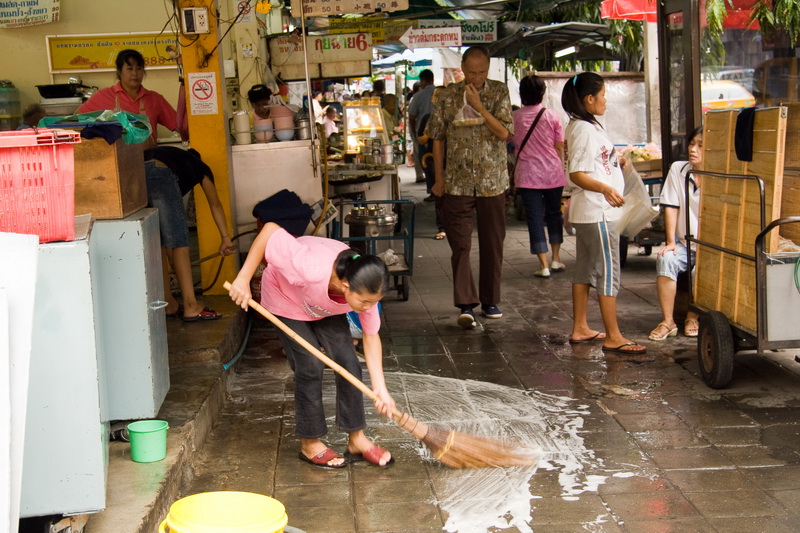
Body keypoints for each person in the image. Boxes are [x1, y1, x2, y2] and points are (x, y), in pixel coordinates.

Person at [227, 222, 395, 468]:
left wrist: (381, 389)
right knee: (310, 365)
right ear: (346, 286)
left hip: (324, 307)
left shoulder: (363, 291)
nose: (368, 307)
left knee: (349, 362)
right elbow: (270, 230)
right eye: (365, 302)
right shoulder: (310, 268)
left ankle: (356, 439)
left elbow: (371, 336)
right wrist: (243, 279)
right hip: (287, 297)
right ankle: (309, 442)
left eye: (374, 302)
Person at [427, 46, 513, 329]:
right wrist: (439, 179)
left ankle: (490, 300)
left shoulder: (499, 92)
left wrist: (479, 107)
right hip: (457, 181)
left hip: (493, 182)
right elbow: (437, 138)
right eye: (472, 72)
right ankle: (466, 304)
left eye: (482, 72)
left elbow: (503, 133)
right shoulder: (447, 96)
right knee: (460, 245)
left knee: (492, 243)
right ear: (462, 68)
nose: (477, 78)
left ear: (489, 70)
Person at [562, 72, 647, 355]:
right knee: (609, 271)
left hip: (588, 213)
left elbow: (592, 162)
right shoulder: (583, 129)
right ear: (589, 99)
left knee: (584, 270)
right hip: (597, 212)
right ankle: (614, 335)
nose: (606, 100)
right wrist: (605, 189)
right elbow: (577, 173)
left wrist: (615, 162)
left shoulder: (583, 125)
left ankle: (581, 327)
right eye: (603, 95)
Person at [143, 146, 235, 321]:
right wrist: (225, 238)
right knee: (179, 241)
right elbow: (214, 204)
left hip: (136, 171)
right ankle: (191, 306)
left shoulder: (175, 157)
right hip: (159, 173)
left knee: (159, 244)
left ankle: (168, 303)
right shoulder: (200, 167)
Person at [649, 126, 704, 341]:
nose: (693, 149)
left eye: (701, 145)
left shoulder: (719, 174)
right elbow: (671, 206)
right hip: (684, 243)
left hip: (710, 248)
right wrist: (670, 241)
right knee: (666, 258)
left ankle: (693, 316)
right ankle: (668, 321)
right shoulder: (678, 169)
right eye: (692, 143)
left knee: (700, 272)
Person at [513, 74, 567, 278]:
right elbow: (559, 145)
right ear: (542, 93)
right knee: (554, 214)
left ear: (521, 94)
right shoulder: (552, 116)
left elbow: (510, 141)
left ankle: (543, 265)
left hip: (527, 176)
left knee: (535, 218)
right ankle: (556, 259)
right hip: (553, 174)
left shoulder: (515, 117)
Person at [77, 49, 178, 147]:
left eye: (139, 68)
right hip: (116, 160)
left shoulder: (155, 99)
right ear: (120, 71)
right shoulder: (103, 96)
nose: (134, 73)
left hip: (148, 159)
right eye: (129, 69)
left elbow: (179, 125)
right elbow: (76, 119)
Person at [418, 86, 446, 239]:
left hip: (453, 161)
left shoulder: (453, 117)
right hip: (434, 160)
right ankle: (441, 226)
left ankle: (452, 225)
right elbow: (421, 140)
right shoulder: (427, 118)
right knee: (439, 194)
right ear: (433, 99)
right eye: (437, 97)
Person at [408, 69, 435, 190]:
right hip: (441, 133)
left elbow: (412, 117)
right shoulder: (442, 94)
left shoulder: (418, 96)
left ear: (423, 81)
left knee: (426, 160)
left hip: (423, 134)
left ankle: (432, 187)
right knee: (439, 160)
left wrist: (414, 133)